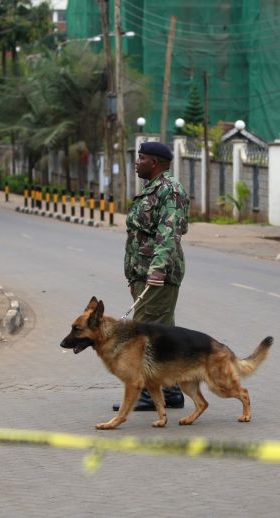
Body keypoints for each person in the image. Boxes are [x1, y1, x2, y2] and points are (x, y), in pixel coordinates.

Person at [113, 141, 190, 412]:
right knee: (161, 334)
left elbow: (169, 234)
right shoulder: (151, 189)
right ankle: (170, 393)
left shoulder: (170, 190)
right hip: (143, 274)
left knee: (146, 334)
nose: (137, 162)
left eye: (141, 158)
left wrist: (156, 269)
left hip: (159, 275)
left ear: (154, 163)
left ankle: (148, 392)